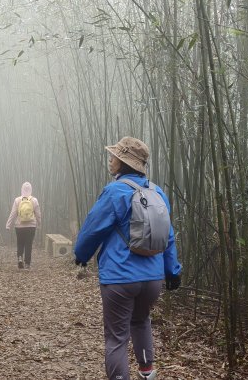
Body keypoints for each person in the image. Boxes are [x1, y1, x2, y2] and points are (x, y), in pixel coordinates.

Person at [74, 136, 182, 380]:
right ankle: (147, 373)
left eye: (114, 156)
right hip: (152, 279)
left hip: (120, 278)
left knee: (116, 338)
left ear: (124, 163)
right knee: (141, 322)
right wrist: (172, 271)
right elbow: (168, 236)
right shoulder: (157, 192)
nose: (110, 159)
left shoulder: (115, 191)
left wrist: (81, 254)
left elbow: (93, 227)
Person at [5, 181, 42, 269]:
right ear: (31, 189)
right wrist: (39, 224)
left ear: (22, 189)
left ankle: (20, 258)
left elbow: (13, 213)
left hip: (19, 226)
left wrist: (8, 225)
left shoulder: (17, 200)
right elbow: (38, 214)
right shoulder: (34, 200)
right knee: (28, 244)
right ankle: (27, 264)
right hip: (31, 226)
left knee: (20, 243)